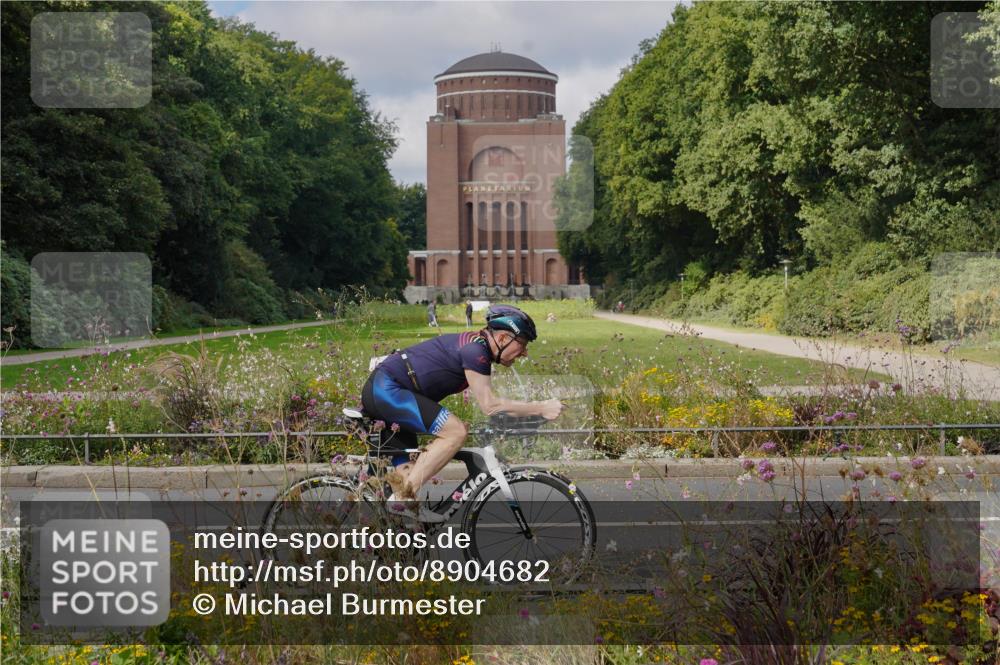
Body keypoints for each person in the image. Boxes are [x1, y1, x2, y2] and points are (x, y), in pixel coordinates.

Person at [360, 304, 562, 522]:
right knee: (455, 432)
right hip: (387, 391)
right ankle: (403, 498)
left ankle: (398, 547)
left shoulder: (477, 347)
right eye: (521, 344)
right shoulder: (476, 352)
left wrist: (529, 416)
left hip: (391, 394)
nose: (524, 352)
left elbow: (491, 405)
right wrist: (541, 407)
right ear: (503, 338)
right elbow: (490, 405)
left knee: (409, 487)